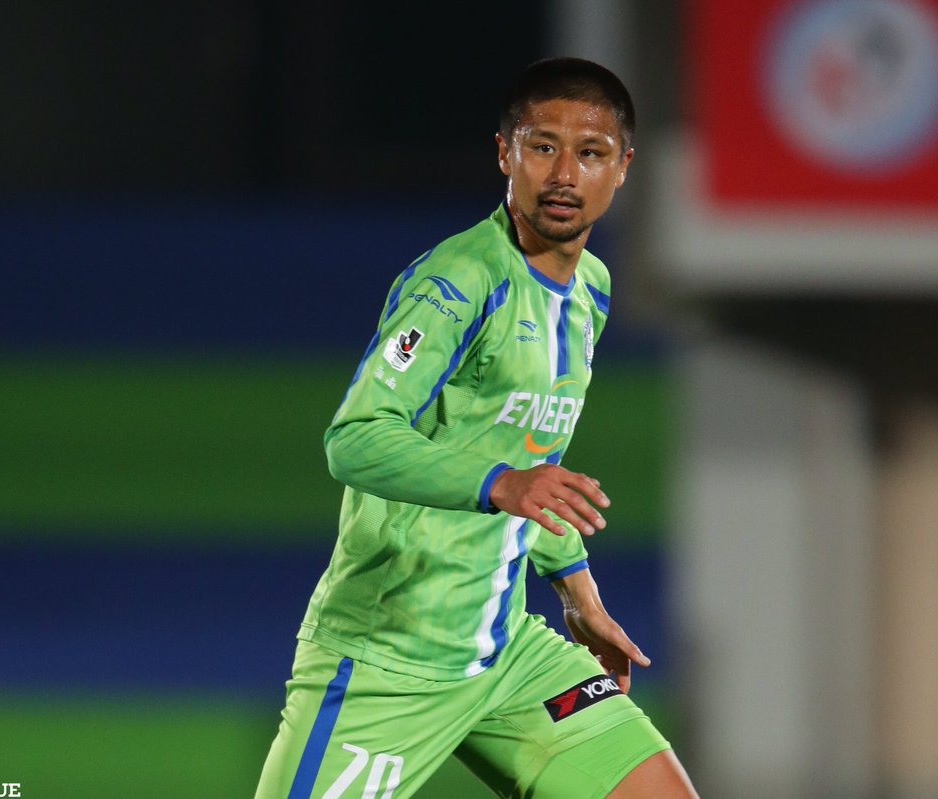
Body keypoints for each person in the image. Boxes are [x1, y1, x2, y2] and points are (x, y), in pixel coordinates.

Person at [255, 57, 698, 799]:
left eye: (590, 153)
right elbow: (355, 437)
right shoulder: (461, 281)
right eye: (542, 146)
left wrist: (578, 592)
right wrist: (500, 484)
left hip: (506, 656)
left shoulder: (590, 288)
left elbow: (533, 457)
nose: (565, 174)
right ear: (504, 153)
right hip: (389, 658)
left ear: (623, 167)